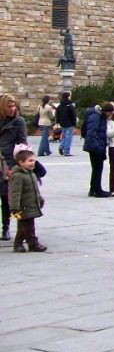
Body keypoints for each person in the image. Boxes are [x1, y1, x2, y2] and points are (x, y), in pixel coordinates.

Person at [0, 94, 29, 239]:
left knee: (8, 199)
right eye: (8, 106)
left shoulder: (19, 122)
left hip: (10, 165)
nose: (11, 109)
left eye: (13, 106)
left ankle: (7, 227)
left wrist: (20, 166)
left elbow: (23, 145)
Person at [9, 145, 46, 252]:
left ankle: (19, 244)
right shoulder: (18, 176)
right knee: (27, 227)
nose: (33, 163)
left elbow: (35, 190)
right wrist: (14, 208)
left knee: (24, 226)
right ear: (21, 162)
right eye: (30, 161)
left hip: (30, 205)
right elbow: (15, 193)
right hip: (22, 207)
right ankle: (33, 244)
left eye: (33, 161)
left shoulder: (31, 174)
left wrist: (40, 198)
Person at [83, 102, 114, 197]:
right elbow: (92, 132)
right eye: (111, 113)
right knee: (97, 168)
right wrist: (96, 147)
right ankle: (97, 190)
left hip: (96, 146)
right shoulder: (96, 116)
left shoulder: (100, 116)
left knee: (96, 168)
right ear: (108, 112)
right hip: (95, 147)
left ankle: (93, 189)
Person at [55, 92, 77, 156]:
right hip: (69, 123)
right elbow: (73, 115)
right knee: (68, 137)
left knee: (64, 136)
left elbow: (57, 114)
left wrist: (57, 122)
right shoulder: (70, 106)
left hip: (62, 123)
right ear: (68, 97)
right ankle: (66, 151)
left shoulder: (60, 106)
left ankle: (61, 147)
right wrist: (74, 123)